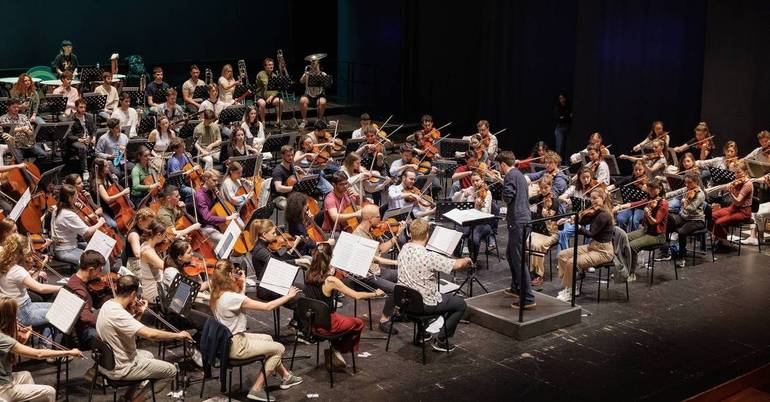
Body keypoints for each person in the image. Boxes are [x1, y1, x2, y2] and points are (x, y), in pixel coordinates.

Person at [209, 260, 302, 401]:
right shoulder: (231, 297)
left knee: (269, 339)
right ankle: (256, 389)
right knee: (279, 349)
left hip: (227, 341)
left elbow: (238, 299)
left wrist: (243, 282)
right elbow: (268, 307)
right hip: (237, 346)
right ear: (229, 274)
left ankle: (286, 377)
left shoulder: (216, 293)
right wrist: (288, 296)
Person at [95, 275, 190, 402]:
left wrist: (139, 313)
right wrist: (178, 336)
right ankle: (137, 401)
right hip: (122, 368)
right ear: (134, 293)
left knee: (148, 355)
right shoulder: (120, 314)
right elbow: (151, 335)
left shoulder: (108, 305)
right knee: (171, 371)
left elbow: (127, 328)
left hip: (107, 362)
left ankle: (127, 397)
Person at [397, 218, 472, 351]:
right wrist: (466, 259)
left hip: (405, 302)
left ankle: (422, 334)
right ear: (427, 235)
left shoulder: (404, 249)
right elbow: (457, 265)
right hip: (423, 305)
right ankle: (442, 340)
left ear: (410, 234)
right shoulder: (429, 257)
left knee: (419, 289)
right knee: (460, 304)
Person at [304, 242, 381, 367]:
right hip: (328, 324)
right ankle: (336, 348)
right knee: (358, 323)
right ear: (330, 258)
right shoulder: (330, 280)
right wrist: (376, 294)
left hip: (311, 321)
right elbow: (356, 295)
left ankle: (334, 348)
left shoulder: (308, 273)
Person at [0, 296, 83, 402]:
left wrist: (24, 336)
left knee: (26, 375)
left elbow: (16, 349)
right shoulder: (4, 339)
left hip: (4, 379)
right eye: (15, 316)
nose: (18, 319)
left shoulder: (4, 336)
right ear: (8, 318)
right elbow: (38, 354)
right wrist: (69, 352)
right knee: (50, 392)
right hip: (3, 389)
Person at [351, 204, 405, 333]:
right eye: (378, 216)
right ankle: (384, 320)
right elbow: (377, 259)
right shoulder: (359, 236)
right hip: (365, 277)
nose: (380, 219)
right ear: (369, 218)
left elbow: (381, 249)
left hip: (375, 271)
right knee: (394, 289)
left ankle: (399, 311)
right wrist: (398, 262)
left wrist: (397, 235)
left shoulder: (369, 231)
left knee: (403, 275)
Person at [555, 188, 616, 301]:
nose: (592, 201)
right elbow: (584, 220)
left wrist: (578, 226)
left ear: (603, 199)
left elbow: (590, 233)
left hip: (603, 251)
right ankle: (571, 286)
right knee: (562, 255)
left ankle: (570, 290)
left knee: (571, 262)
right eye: (591, 198)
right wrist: (568, 219)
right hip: (593, 246)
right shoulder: (596, 212)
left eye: (595, 198)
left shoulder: (604, 215)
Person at [497, 150, 536, 308]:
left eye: (499, 166)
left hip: (518, 222)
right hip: (523, 220)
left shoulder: (510, 176)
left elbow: (507, 197)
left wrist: (500, 181)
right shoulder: (519, 174)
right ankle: (516, 287)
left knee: (518, 259)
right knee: (510, 254)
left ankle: (527, 297)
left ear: (503, 165)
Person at [0, 234, 61, 332]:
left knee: (57, 307)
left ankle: (44, 341)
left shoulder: (4, 264)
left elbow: (17, 279)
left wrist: (32, 271)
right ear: (22, 252)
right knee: (59, 313)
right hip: (23, 313)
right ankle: (44, 343)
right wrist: (61, 288)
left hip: (16, 309)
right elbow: (40, 288)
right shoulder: (18, 270)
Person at [620, 179, 669, 282]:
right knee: (623, 238)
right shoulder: (650, 199)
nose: (650, 191)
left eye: (652, 189)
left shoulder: (663, 204)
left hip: (657, 235)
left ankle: (631, 273)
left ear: (659, 189)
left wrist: (647, 214)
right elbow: (635, 204)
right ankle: (623, 268)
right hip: (646, 231)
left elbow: (654, 222)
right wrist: (619, 207)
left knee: (632, 246)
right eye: (649, 189)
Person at [51, 184, 105, 265]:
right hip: (65, 250)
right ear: (70, 198)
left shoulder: (57, 207)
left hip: (67, 246)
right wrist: (100, 223)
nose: (78, 196)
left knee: (99, 249)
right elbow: (87, 232)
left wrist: (76, 209)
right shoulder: (67, 214)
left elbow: (79, 221)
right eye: (76, 195)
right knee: (95, 261)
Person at [65, 250, 108, 349]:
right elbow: (85, 317)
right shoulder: (80, 291)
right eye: (99, 270)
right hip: (83, 332)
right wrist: (107, 322)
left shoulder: (74, 278)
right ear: (91, 270)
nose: (101, 273)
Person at [710, 161, 754, 253]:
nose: (736, 175)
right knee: (712, 215)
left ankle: (725, 243)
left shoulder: (748, 184)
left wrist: (730, 192)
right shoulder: (737, 181)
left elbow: (738, 202)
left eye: (739, 172)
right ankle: (721, 240)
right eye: (735, 172)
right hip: (733, 208)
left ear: (745, 172)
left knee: (719, 222)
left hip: (743, 211)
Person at [665, 172, 706, 267]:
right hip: (685, 217)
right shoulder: (687, 189)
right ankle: (666, 251)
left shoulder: (700, 194)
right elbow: (675, 193)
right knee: (668, 222)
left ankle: (681, 257)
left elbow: (691, 208)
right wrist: (664, 195)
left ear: (696, 182)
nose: (687, 185)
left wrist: (684, 202)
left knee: (682, 232)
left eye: (689, 182)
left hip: (697, 220)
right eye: (685, 182)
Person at [451, 172, 493, 261]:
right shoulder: (470, 189)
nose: (475, 183)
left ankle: (473, 260)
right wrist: (462, 193)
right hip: (469, 221)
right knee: (457, 232)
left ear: (482, 180)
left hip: (483, 223)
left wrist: (479, 206)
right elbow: (455, 200)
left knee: (473, 238)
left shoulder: (487, 193)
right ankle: (456, 257)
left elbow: (485, 212)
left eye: (477, 180)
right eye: (473, 181)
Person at [527, 174, 560, 285]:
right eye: (541, 188)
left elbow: (550, 219)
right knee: (527, 241)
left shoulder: (554, 201)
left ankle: (539, 274)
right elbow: (528, 201)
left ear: (551, 187)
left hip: (551, 233)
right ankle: (530, 270)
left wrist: (545, 214)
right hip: (539, 230)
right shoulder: (539, 198)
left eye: (546, 188)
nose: (543, 190)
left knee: (536, 245)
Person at [195, 170, 238, 244]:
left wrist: (217, 197)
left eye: (217, 181)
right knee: (224, 240)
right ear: (206, 179)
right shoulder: (200, 196)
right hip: (206, 227)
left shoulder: (211, 191)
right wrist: (228, 218)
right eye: (214, 180)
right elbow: (207, 218)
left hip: (215, 223)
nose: (216, 183)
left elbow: (214, 207)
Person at [138, 220, 168, 303]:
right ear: (158, 235)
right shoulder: (147, 252)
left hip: (155, 281)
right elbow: (165, 266)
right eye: (164, 235)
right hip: (151, 290)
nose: (165, 238)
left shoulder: (148, 244)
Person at [65, 98, 94, 176]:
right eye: (81, 107)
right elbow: (69, 135)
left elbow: (94, 130)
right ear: (76, 108)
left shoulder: (89, 117)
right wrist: (81, 140)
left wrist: (93, 138)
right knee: (82, 148)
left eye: (84, 107)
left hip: (88, 138)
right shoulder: (70, 119)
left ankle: (96, 168)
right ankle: (85, 170)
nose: (83, 109)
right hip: (76, 140)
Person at [124, 208, 156, 275]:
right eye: (149, 222)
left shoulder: (142, 231)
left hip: (140, 264)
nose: (151, 225)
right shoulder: (134, 235)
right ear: (140, 221)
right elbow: (138, 254)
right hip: (133, 267)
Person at [299, 57, 328, 126]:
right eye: (312, 63)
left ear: (318, 64)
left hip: (319, 95)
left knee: (323, 102)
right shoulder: (308, 73)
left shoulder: (323, 74)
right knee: (302, 100)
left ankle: (319, 120)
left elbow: (327, 84)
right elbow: (301, 81)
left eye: (315, 63)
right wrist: (305, 75)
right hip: (308, 95)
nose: (313, 65)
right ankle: (304, 120)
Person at [255, 58, 284, 127]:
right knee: (262, 103)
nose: (271, 66)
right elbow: (266, 83)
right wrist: (275, 79)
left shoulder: (274, 75)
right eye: (269, 65)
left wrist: (271, 96)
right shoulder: (261, 74)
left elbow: (276, 89)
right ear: (265, 66)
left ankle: (278, 121)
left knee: (280, 101)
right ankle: (263, 123)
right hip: (261, 97)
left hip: (270, 97)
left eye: (272, 65)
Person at [165, 138, 196, 203]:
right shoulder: (174, 161)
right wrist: (192, 170)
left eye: (183, 145)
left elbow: (188, 167)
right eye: (181, 146)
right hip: (177, 185)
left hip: (183, 182)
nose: (184, 147)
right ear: (175, 149)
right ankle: (187, 206)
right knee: (192, 192)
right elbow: (179, 175)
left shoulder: (184, 156)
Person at [553, 94, 572, 161]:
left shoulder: (569, 106)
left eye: (563, 98)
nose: (562, 100)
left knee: (568, 147)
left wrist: (563, 117)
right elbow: (557, 118)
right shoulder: (557, 107)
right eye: (560, 98)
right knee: (559, 148)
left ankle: (567, 165)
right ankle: (557, 164)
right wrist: (566, 116)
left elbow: (570, 117)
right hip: (559, 128)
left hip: (568, 128)